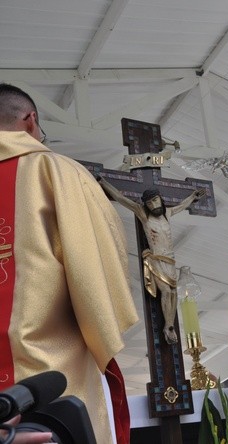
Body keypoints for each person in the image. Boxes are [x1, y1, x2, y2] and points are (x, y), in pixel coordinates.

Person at [0, 83, 139, 444]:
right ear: (31, 121)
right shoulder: (56, 171)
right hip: (49, 381)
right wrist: (104, 335)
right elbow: (97, 273)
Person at [97, 179, 205, 344]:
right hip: (156, 259)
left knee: (174, 293)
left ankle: (169, 325)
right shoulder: (144, 215)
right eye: (149, 203)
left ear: (160, 199)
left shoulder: (167, 213)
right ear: (146, 205)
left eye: (155, 200)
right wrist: (104, 183)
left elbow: (182, 206)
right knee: (166, 292)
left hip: (170, 260)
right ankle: (168, 326)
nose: (153, 205)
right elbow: (120, 198)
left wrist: (192, 196)